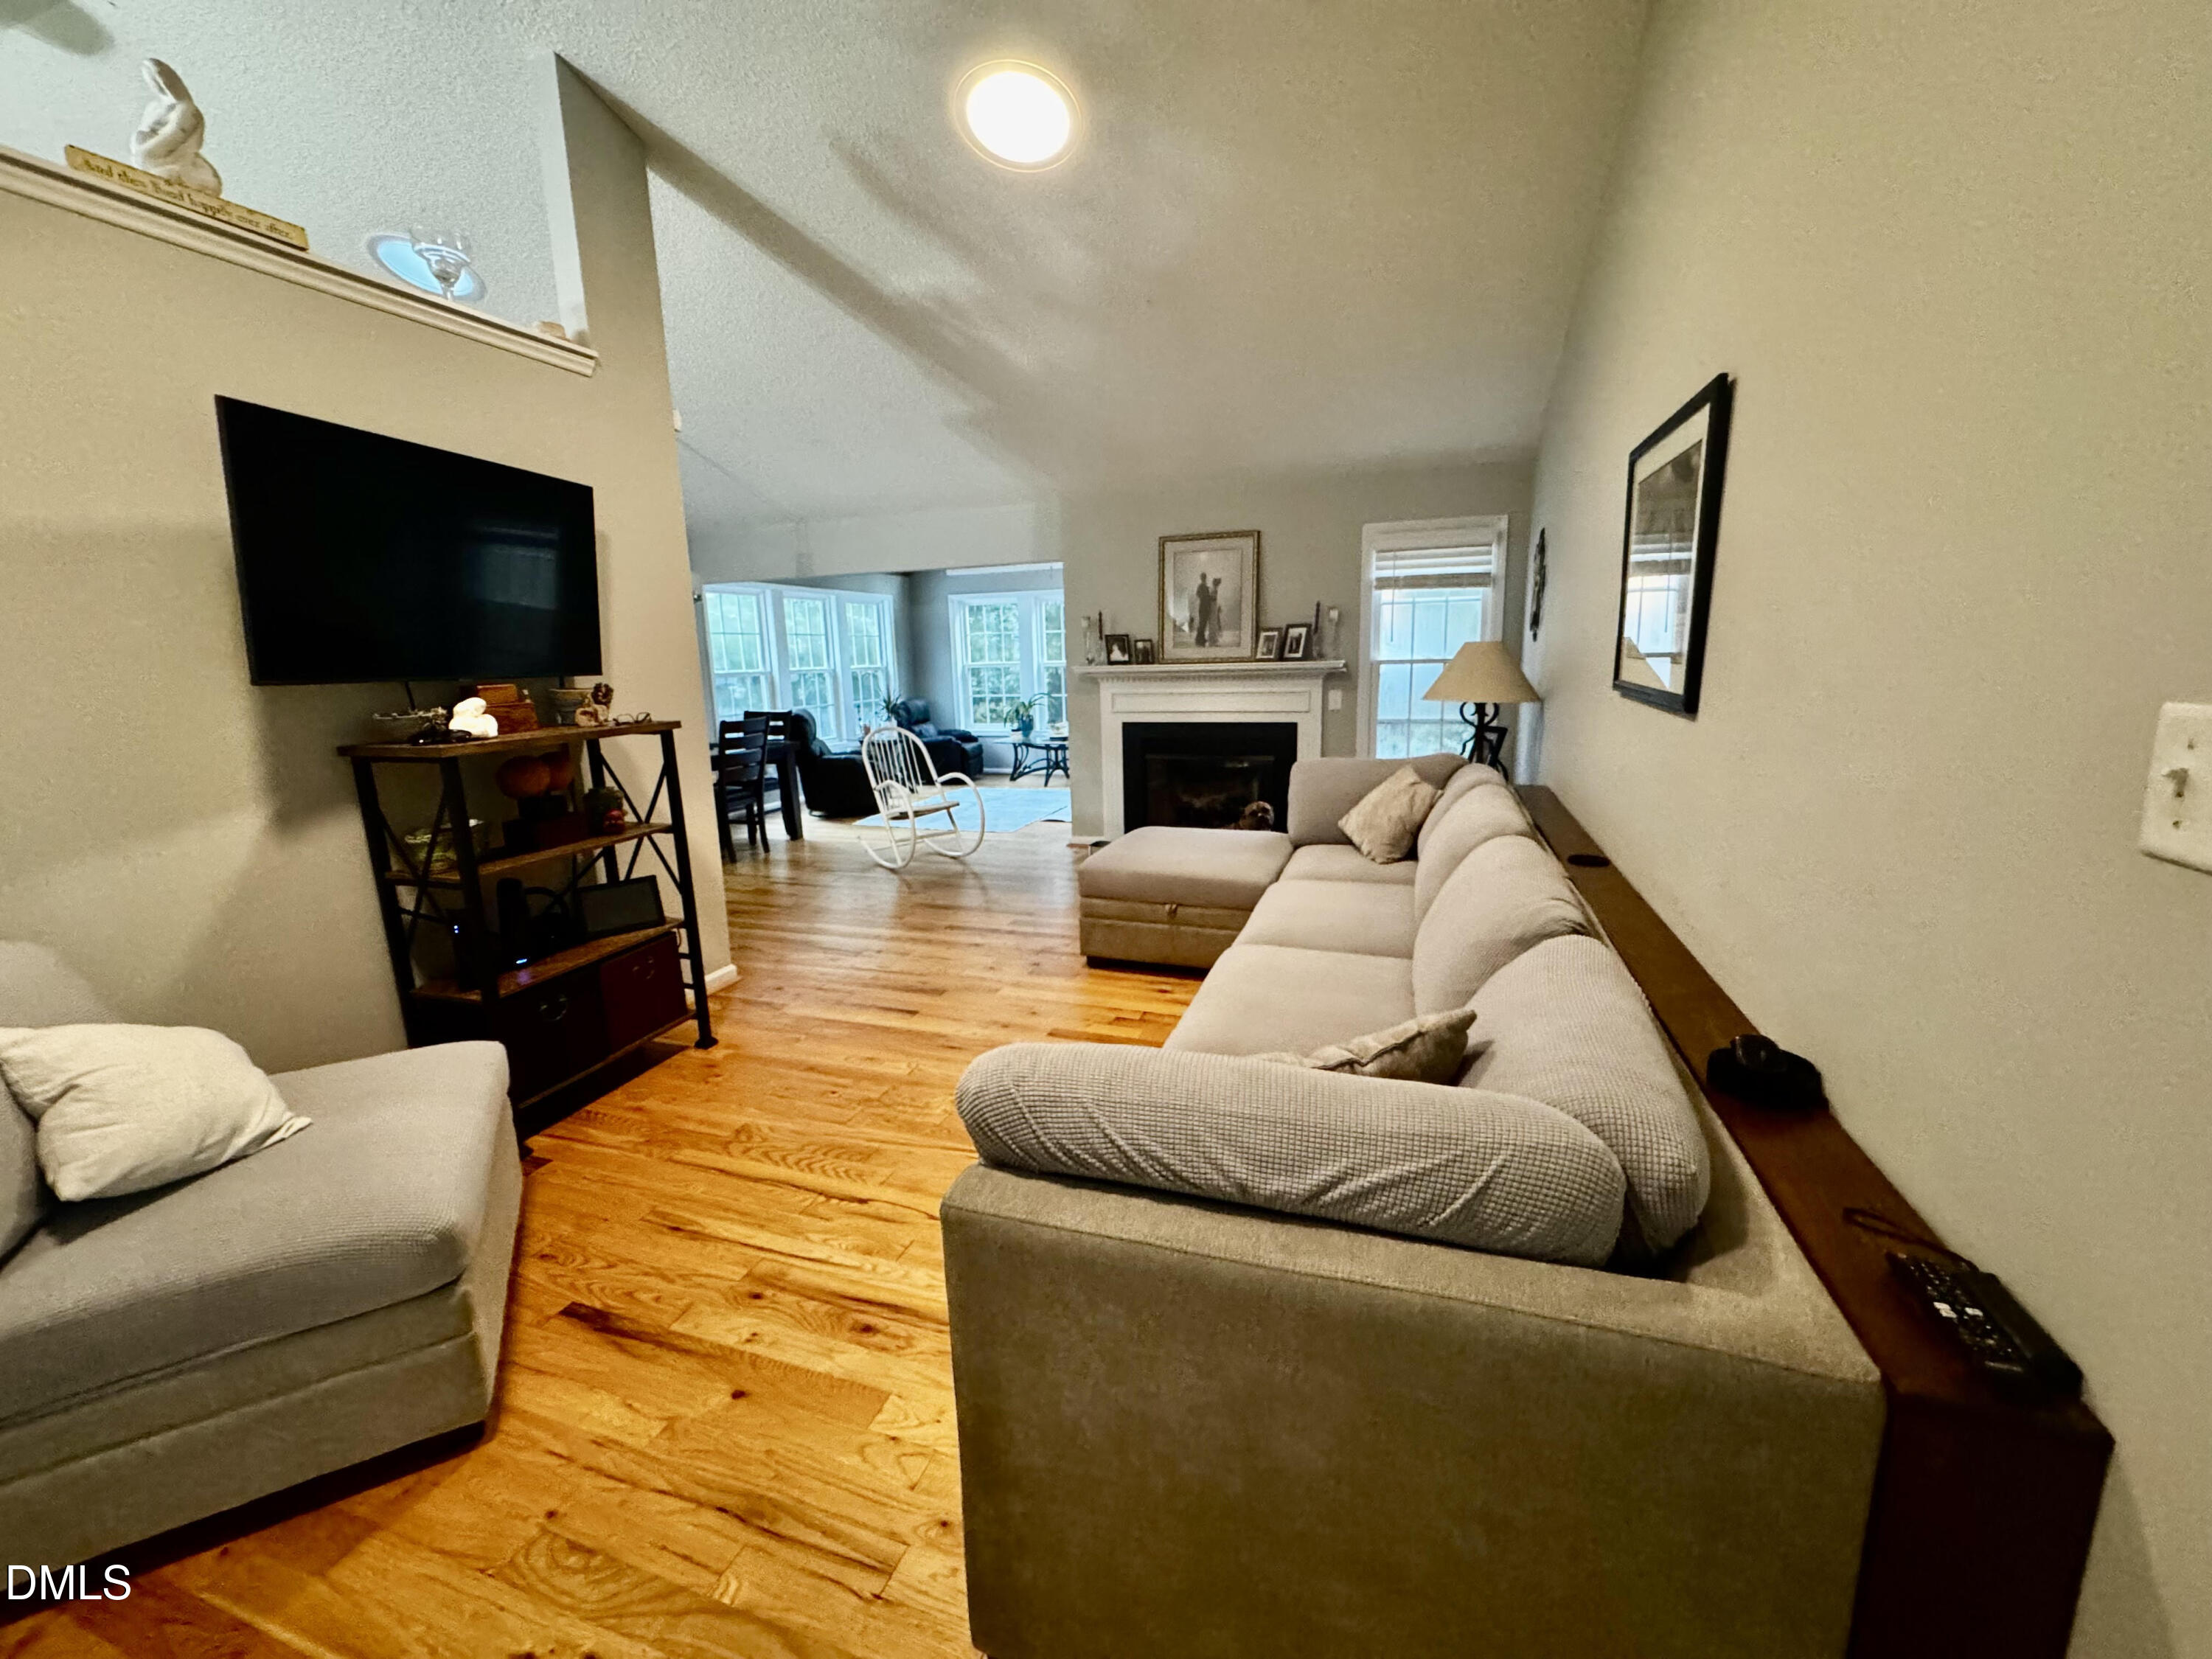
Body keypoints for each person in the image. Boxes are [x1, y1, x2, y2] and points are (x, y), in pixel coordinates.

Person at [1192, 568, 1217, 646]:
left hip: (1205, 607)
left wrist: (1208, 597)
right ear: (1202, 578)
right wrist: (1209, 598)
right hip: (1203, 607)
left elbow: (1203, 595)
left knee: (1203, 623)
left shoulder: (1205, 586)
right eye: (1204, 577)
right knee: (1202, 623)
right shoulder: (1201, 586)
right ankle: (1199, 639)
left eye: (1205, 577)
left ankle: (1201, 638)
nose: (1204, 578)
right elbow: (1200, 595)